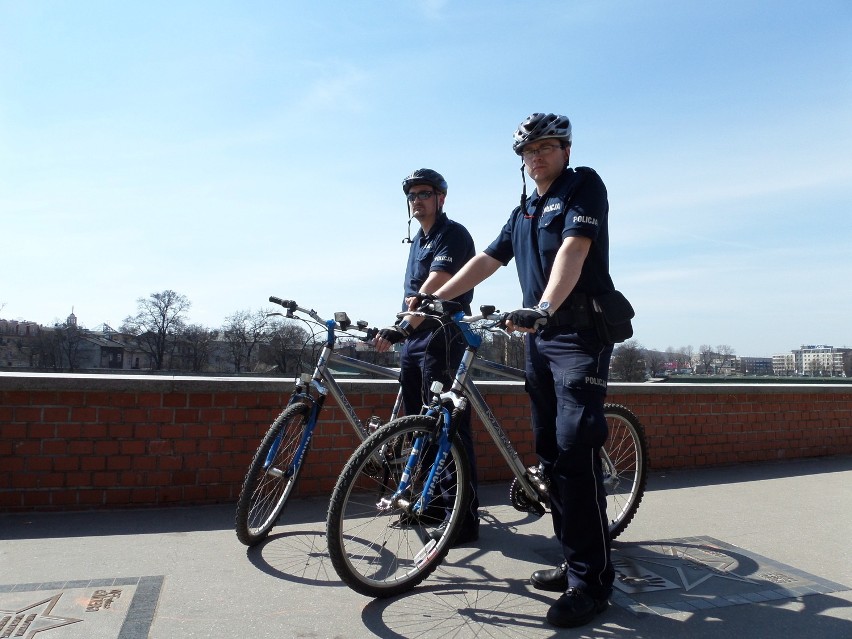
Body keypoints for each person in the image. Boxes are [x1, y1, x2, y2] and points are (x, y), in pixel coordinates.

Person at [431, 113, 615, 627]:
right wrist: (430, 301)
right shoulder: (525, 210)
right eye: (528, 152)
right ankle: (574, 559)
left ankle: (592, 583)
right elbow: (487, 261)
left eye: (546, 148)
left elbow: (574, 250)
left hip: (577, 336)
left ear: (565, 149)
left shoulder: (584, 187)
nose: (537, 157)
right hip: (539, 339)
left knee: (575, 454)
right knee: (551, 456)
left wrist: (546, 305)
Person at [374, 168, 480, 546]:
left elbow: (434, 284)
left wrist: (401, 324)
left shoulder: (453, 234)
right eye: (412, 195)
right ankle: (431, 505)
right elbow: (411, 294)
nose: (417, 200)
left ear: (441, 197)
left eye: (424, 193)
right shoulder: (418, 240)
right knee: (420, 425)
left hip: (443, 337)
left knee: (450, 427)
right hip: (415, 340)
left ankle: (463, 518)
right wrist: (402, 328)